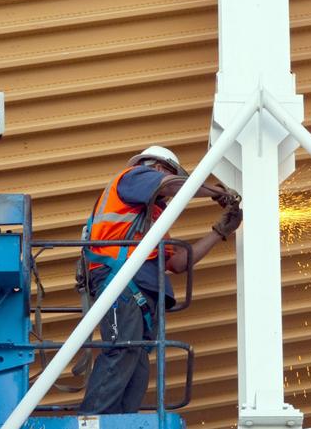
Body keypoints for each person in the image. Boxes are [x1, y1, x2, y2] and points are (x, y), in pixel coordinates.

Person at [77, 145, 242, 414]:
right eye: (169, 175)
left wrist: (219, 231)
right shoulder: (133, 177)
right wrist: (218, 193)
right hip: (119, 282)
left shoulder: (150, 221)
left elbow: (177, 263)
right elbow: (171, 185)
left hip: (140, 295)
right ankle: (90, 424)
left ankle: (121, 426)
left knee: (137, 362)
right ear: (156, 167)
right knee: (123, 351)